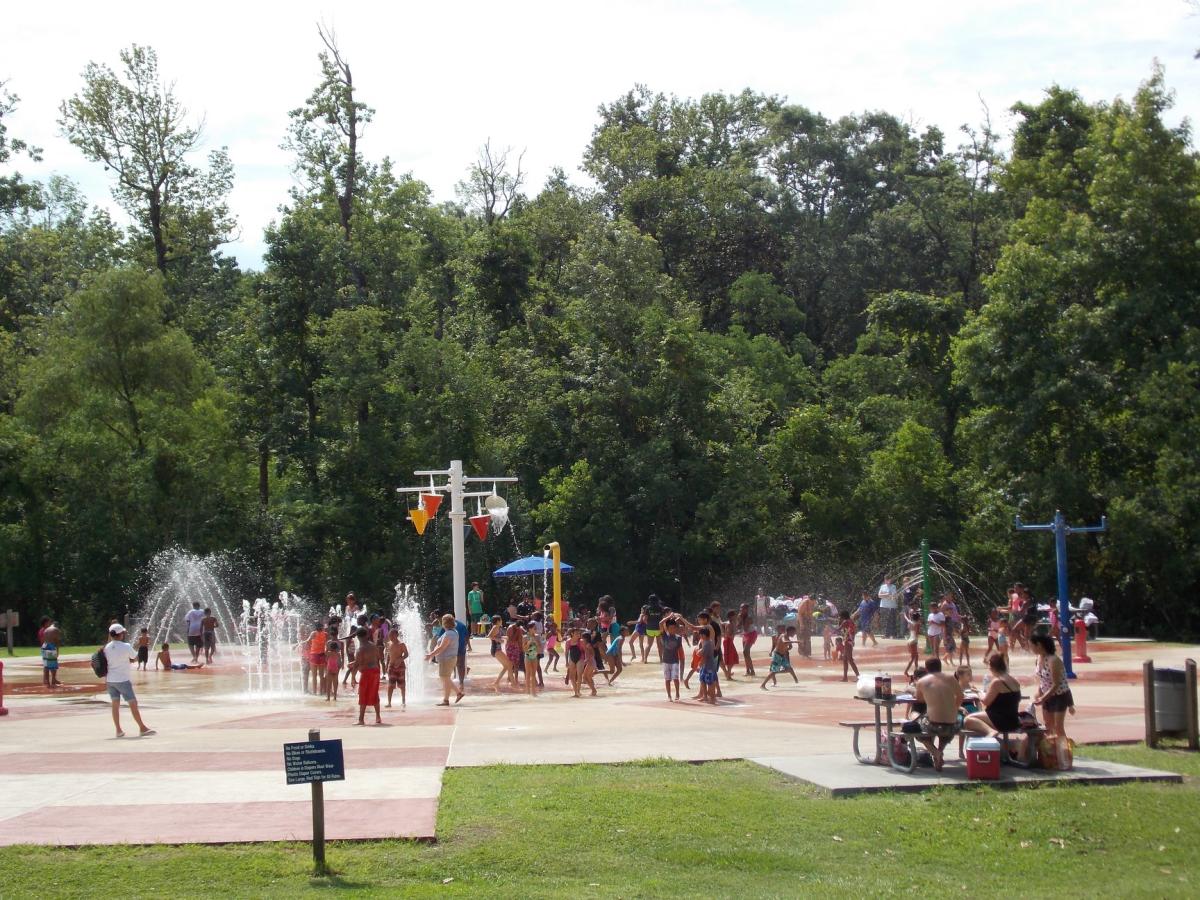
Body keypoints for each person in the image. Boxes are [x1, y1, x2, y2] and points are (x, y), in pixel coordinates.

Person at [103, 624, 154, 738]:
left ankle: (118, 730)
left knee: (115, 705)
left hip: (110, 679)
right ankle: (142, 727)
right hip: (122, 679)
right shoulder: (125, 646)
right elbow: (135, 658)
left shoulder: (107, 647)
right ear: (120, 634)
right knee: (133, 703)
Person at [913, 657, 963, 771]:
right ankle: (939, 752)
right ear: (940, 666)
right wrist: (954, 708)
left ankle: (935, 752)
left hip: (933, 724)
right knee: (947, 729)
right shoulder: (951, 678)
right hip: (952, 724)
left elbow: (919, 699)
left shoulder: (922, 681)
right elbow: (960, 696)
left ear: (926, 669)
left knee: (915, 727)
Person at [962, 653, 1022, 739]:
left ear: (991, 667)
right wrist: (981, 692)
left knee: (968, 720)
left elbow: (985, 701)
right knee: (977, 719)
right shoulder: (1014, 681)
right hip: (1013, 720)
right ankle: (997, 742)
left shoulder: (997, 682)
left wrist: (978, 693)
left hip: (1000, 719)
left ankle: (990, 732)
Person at [1032, 634, 1074, 741]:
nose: (1030, 648)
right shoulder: (1039, 658)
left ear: (1039, 645)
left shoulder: (1054, 660)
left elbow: (1056, 684)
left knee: (1058, 727)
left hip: (1059, 696)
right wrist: (1038, 694)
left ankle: (1063, 754)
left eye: (1032, 645)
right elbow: (1042, 679)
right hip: (1047, 696)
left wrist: (1043, 698)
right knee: (1048, 726)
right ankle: (1051, 753)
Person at [426, 614, 460, 707]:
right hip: (448, 659)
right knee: (445, 679)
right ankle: (453, 696)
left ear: (445, 623)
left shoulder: (449, 634)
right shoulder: (453, 632)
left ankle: (449, 698)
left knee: (445, 679)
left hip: (447, 659)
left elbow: (442, 647)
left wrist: (430, 655)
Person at [354, 631, 383, 725]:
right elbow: (378, 658)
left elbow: (357, 664)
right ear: (367, 635)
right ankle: (378, 717)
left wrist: (353, 677)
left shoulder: (360, 649)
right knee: (374, 693)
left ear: (358, 638)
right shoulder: (374, 646)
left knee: (363, 694)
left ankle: (361, 719)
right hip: (375, 670)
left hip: (366, 672)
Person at [660, 616, 685, 701]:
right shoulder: (664, 636)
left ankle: (677, 693)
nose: (672, 630)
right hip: (666, 661)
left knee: (675, 678)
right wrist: (670, 616)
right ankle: (669, 695)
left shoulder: (678, 638)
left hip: (675, 661)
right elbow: (660, 623)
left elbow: (680, 651)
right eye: (670, 628)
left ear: (676, 628)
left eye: (674, 628)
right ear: (667, 628)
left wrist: (682, 662)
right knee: (667, 679)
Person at [696, 626, 719, 704]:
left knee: (710, 682)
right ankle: (705, 696)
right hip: (706, 665)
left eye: (702, 635)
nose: (701, 636)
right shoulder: (708, 642)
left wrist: (699, 666)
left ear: (705, 635)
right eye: (700, 635)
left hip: (708, 666)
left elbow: (704, 657)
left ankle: (712, 698)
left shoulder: (707, 643)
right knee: (702, 680)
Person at [386, 630, 408, 709]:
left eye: (391, 635)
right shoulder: (389, 644)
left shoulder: (401, 644)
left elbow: (406, 654)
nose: (390, 637)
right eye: (389, 635)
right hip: (391, 666)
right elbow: (388, 655)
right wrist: (387, 665)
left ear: (396, 635)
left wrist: (400, 659)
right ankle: (389, 702)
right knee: (390, 685)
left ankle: (403, 701)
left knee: (402, 685)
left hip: (400, 667)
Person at [453, 616, 470, 702]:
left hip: (452, 649)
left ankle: (458, 681)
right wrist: (465, 645)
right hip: (461, 648)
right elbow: (467, 636)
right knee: (461, 665)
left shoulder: (447, 625)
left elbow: (440, 637)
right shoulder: (462, 625)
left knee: (455, 665)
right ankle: (461, 683)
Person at [839, 611, 860, 681]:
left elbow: (838, 629)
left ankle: (858, 676)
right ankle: (845, 677)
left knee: (850, 660)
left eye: (840, 617)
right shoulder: (851, 621)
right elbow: (852, 631)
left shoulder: (846, 622)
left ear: (843, 617)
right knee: (845, 660)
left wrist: (830, 627)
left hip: (848, 642)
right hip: (849, 641)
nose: (840, 618)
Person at [41, 622, 62, 688]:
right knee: (53, 665)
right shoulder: (56, 630)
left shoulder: (46, 629)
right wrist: (57, 650)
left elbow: (44, 639)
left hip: (44, 646)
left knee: (46, 665)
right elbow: (57, 641)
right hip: (50, 646)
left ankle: (47, 682)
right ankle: (53, 682)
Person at [308, 623, 328, 696]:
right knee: (321, 675)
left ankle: (314, 692)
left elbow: (308, 641)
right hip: (322, 655)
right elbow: (328, 644)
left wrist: (298, 645)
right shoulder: (325, 634)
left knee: (314, 676)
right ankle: (321, 691)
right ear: (322, 627)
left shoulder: (313, 633)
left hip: (314, 655)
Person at [522, 627, 540, 696]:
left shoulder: (537, 636)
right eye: (534, 628)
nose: (535, 630)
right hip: (527, 656)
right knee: (528, 674)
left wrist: (535, 642)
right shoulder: (525, 637)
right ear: (529, 629)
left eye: (535, 629)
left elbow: (539, 648)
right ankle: (527, 691)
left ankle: (533, 692)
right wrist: (529, 643)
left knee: (533, 674)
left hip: (534, 656)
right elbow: (524, 649)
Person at [325, 637, 342, 701]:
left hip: (329, 668)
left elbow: (326, 659)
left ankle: (328, 698)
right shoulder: (338, 654)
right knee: (335, 683)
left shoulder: (329, 653)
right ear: (337, 648)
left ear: (330, 647)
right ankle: (335, 697)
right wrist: (339, 667)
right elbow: (339, 662)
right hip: (335, 669)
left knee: (329, 684)